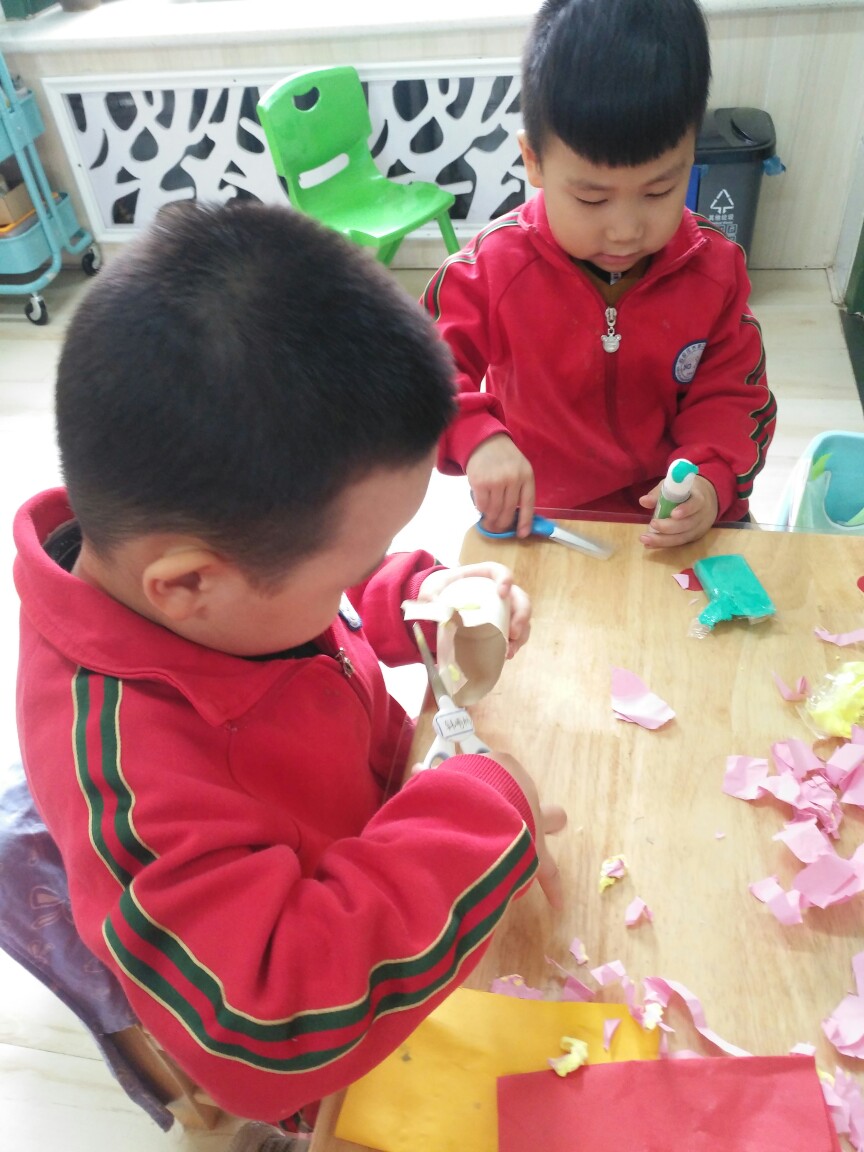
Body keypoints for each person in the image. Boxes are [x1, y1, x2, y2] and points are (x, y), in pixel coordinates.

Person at [13, 200, 566, 1140]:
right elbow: (266, 1027)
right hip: (318, 1037)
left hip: (364, 837)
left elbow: (311, 620)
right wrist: (481, 811)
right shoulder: (129, 775)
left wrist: (420, 597)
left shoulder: (199, 558)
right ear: (189, 584)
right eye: (355, 566)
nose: (361, 580)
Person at [424, 0, 776, 549]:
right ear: (534, 161)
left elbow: (733, 392)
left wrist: (711, 477)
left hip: (673, 514)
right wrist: (477, 437)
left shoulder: (712, 268)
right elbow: (418, 369)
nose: (625, 231)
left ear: (691, 154)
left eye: (659, 191)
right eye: (592, 198)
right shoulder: (491, 269)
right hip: (546, 518)